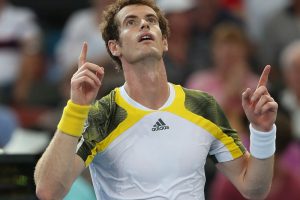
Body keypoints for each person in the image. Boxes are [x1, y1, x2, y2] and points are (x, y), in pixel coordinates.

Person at [34, 0, 278, 199]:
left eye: (151, 20)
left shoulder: (203, 106)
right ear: (115, 47)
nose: (144, 24)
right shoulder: (103, 115)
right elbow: (49, 191)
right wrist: (77, 107)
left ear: (164, 42)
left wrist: (263, 132)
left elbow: (254, 189)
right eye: (131, 22)